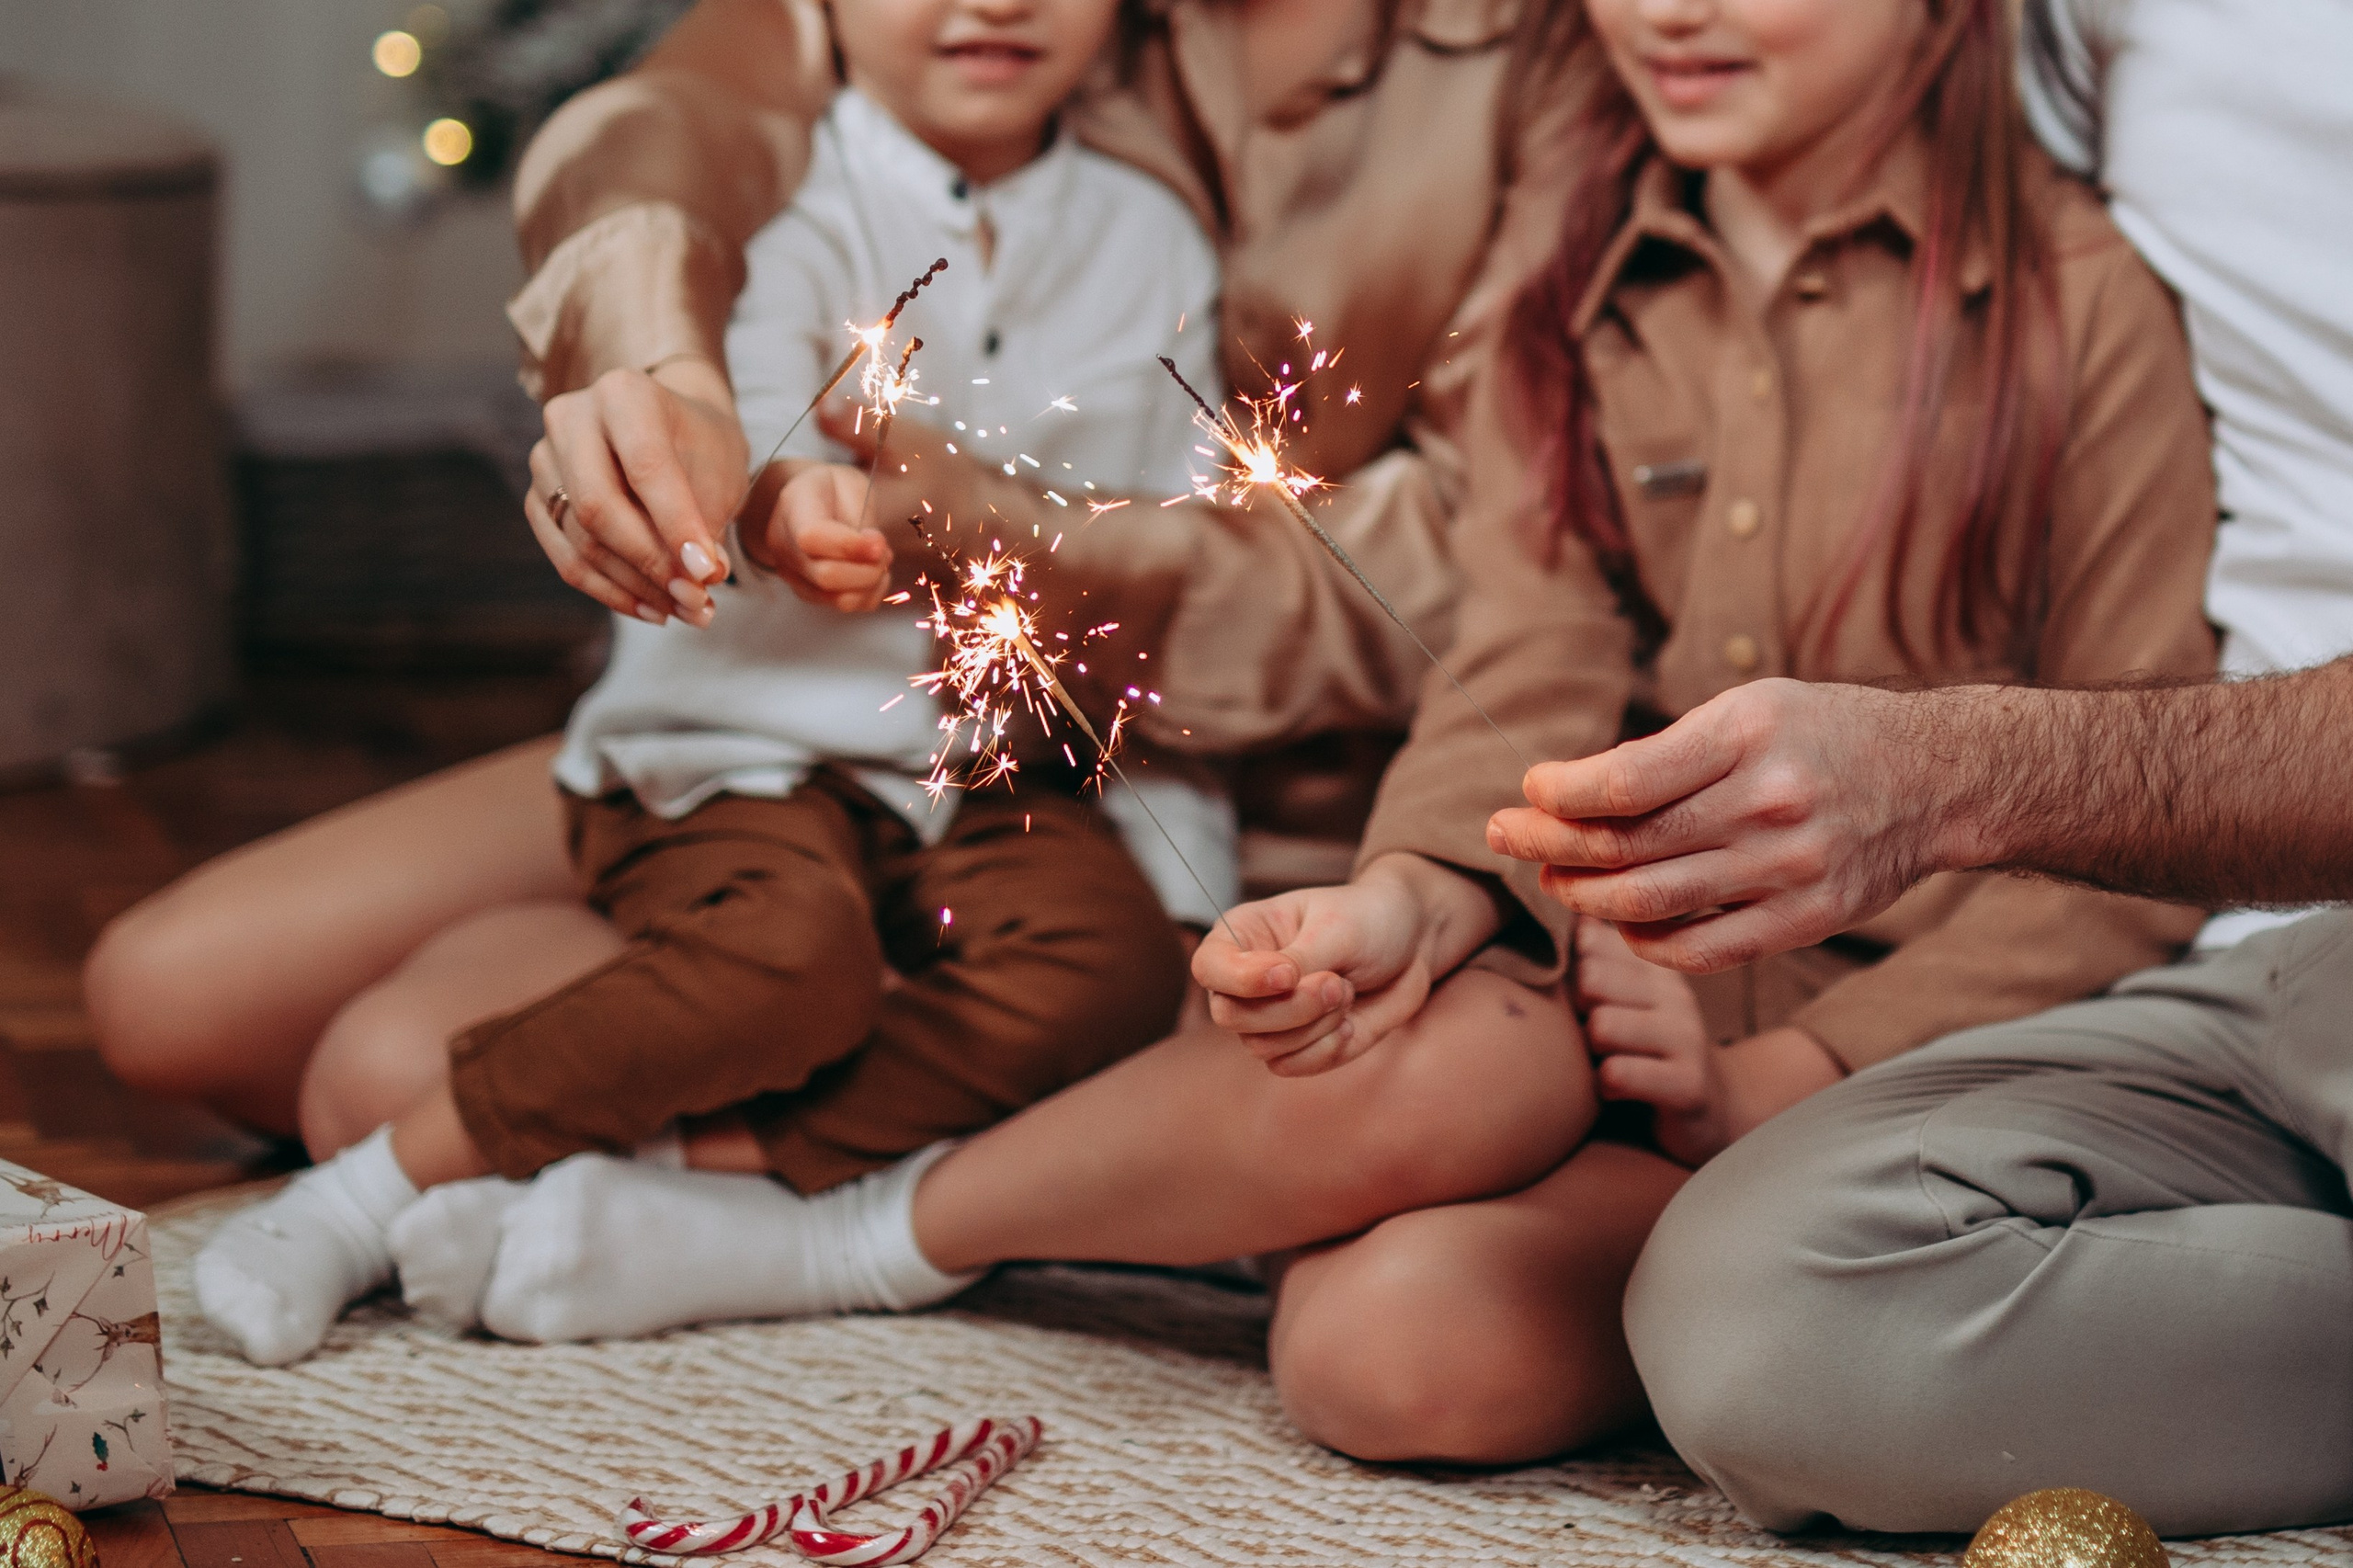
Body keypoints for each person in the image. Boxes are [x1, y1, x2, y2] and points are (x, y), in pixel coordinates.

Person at [441, 0, 2218, 1465]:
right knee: (1391, 1216)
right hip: (1546, 961)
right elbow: (1534, 646)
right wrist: (1420, 899)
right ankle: (812, 1198)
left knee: (1388, 1355)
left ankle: (845, 1226)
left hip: (1873, 1051)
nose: (1672, 12)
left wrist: (1787, 1074)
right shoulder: (1571, 276)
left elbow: (2135, 809)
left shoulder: (2075, 315)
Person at [184, 0, 1222, 1369]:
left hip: (979, 777)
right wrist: (789, 502)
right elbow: (746, 398)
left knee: (1112, 962)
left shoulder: (1151, 240)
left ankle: (684, 1184)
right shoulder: (785, 183)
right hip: (741, 746)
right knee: (790, 957)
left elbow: (1150, 535)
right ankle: (367, 1195)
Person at [1486, 0, 2353, 1531]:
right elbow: (1505, 604)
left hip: (2228, 857)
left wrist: (1953, 771)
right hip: (2243, 966)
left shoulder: (2064, 292)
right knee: (1755, 1317)